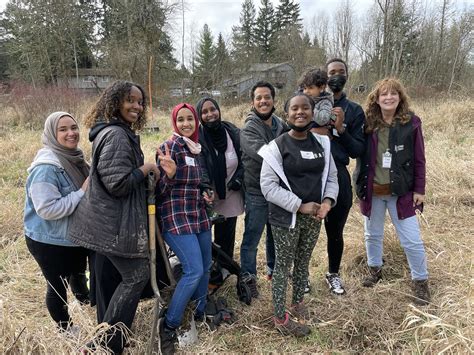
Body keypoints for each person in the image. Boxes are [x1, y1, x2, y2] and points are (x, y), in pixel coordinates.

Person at [68, 81, 174, 354]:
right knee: (137, 275)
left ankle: (110, 340)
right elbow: (117, 183)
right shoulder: (115, 135)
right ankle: (101, 343)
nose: (137, 106)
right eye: (131, 100)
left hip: (113, 223)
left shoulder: (118, 132)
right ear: (115, 102)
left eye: (140, 102)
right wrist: (146, 168)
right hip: (110, 225)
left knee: (133, 276)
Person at [259, 93, 338, 336]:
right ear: (287, 113)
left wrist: (327, 202)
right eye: (294, 108)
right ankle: (280, 317)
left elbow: (332, 177)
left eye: (305, 108)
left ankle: (297, 303)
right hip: (286, 218)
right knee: (283, 266)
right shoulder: (276, 147)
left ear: (313, 113)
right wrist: (299, 205)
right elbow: (268, 186)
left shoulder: (322, 144)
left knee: (303, 262)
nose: (300, 112)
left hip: (314, 217)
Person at [356, 78, 430, 305]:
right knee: (372, 234)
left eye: (393, 94)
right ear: (376, 100)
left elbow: (419, 159)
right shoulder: (367, 124)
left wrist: (420, 189)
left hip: (402, 193)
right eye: (383, 94)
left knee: (412, 240)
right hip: (373, 192)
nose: (389, 98)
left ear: (400, 97)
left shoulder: (412, 123)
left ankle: (421, 282)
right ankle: (375, 271)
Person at [24, 111, 90, 335]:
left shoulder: (75, 159)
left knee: (78, 273)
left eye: (73, 127)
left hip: (71, 235)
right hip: (48, 240)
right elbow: (47, 209)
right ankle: (66, 328)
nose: (71, 133)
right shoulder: (46, 167)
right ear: (52, 134)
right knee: (57, 287)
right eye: (63, 130)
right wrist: (82, 192)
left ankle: (85, 301)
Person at [156, 103, 212, 355]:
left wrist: (205, 192)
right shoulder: (171, 146)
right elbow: (157, 192)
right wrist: (169, 175)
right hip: (176, 216)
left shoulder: (196, 148)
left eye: (191, 119)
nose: (187, 124)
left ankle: (199, 312)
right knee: (193, 270)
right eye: (181, 120)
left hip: (197, 214)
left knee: (207, 266)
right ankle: (169, 324)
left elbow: (196, 183)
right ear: (174, 122)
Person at [312, 58, 365, 295]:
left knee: (335, 232)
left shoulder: (354, 110)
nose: (336, 76)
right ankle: (301, 274)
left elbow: (357, 150)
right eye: (331, 72)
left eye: (340, 72)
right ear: (324, 75)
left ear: (346, 75)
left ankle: (333, 273)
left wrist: (341, 129)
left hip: (339, 174)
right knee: (304, 230)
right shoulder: (309, 103)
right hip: (310, 174)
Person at [239, 81, 288, 298]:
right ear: (253, 102)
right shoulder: (249, 127)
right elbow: (265, 154)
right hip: (257, 191)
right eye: (258, 98)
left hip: (277, 190)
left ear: (273, 100)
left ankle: (274, 271)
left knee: (275, 233)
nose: (263, 101)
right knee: (252, 237)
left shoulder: (279, 124)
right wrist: (289, 154)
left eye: (267, 97)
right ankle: (248, 277)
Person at [196, 97, 244, 278]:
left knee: (227, 233)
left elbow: (243, 159)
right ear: (200, 116)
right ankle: (206, 268)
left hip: (231, 192)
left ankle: (223, 269)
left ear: (219, 110)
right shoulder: (197, 137)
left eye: (212, 109)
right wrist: (205, 186)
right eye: (205, 112)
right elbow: (199, 164)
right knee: (205, 236)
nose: (210, 114)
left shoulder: (232, 132)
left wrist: (239, 178)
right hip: (207, 195)